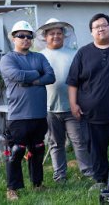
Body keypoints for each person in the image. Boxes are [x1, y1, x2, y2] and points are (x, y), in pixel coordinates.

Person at [66, 13, 109, 190]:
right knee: (96, 149)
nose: (101, 29)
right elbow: (73, 82)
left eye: (104, 25)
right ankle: (100, 180)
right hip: (92, 114)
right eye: (97, 27)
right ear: (91, 32)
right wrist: (73, 104)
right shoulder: (83, 53)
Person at [0, 20, 55, 201]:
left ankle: (37, 184)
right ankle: (12, 188)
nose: (25, 39)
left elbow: (51, 76)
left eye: (28, 36)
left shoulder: (39, 57)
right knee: (16, 152)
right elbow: (16, 75)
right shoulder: (8, 59)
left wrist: (32, 78)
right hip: (18, 116)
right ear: (13, 38)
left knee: (37, 150)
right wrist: (37, 73)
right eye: (21, 36)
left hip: (39, 114)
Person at [37, 18, 93, 183]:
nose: (56, 36)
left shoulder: (74, 54)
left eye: (59, 33)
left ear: (64, 35)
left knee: (79, 141)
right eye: (52, 33)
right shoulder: (40, 56)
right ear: (45, 37)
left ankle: (88, 172)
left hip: (72, 106)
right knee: (55, 143)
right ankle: (59, 176)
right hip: (49, 107)